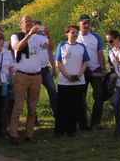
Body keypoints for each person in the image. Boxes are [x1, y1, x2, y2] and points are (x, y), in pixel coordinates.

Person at [9, 15, 48, 145]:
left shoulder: (38, 37)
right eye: (27, 22)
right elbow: (17, 47)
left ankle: (29, 134)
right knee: (18, 106)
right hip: (21, 75)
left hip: (36, 75)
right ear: (21, 25)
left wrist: (47, 35)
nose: (30, 24)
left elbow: (49, 47)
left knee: (32, 107)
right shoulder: (16, 36)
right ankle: (13, 134)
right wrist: (29, 35)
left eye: (31, 22)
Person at [54, 25, 89, 137]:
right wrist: (67, 75)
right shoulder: (62, 46)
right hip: (64, 81)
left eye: (75, 32)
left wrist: (79, 74)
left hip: (78, 81)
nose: (74, 34)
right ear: (67, 34)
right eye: (72, 32)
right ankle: (59, 130)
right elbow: (58, 62)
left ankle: (71, 130)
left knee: (75, 106)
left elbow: (86, 62)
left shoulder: (81, 47)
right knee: (62, 107)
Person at [78, 14, 106, 130]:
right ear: (79, 24)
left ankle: (96, 121)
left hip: (96, 69)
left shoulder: (95, 37)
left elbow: (100, 53)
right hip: (82, 71)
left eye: (88, 23)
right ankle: (82, 122)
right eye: (84, 23)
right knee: (81, 98)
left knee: (99, 96)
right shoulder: (76, 37)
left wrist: (103, 68)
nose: (86, 25)